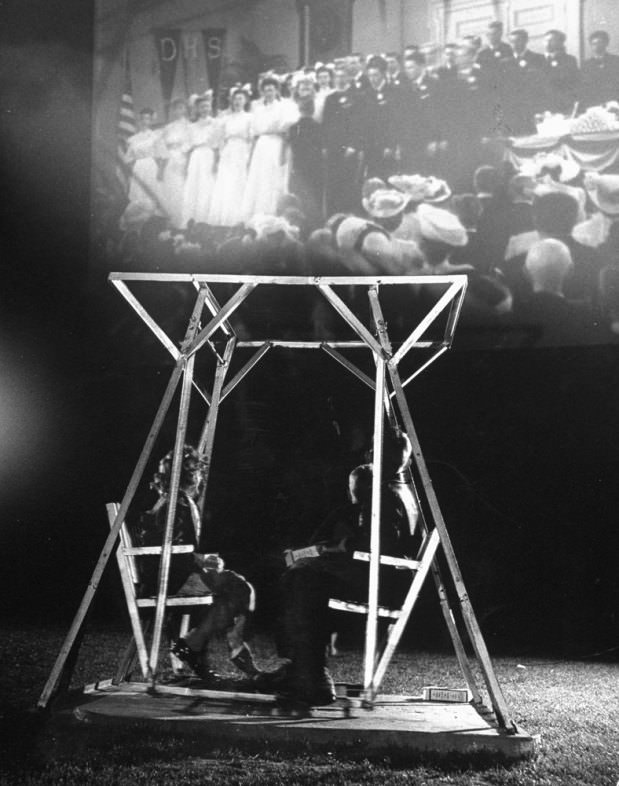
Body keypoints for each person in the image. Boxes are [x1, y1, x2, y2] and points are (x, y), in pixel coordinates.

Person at [259, 428, 419, 706]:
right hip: (388, 578)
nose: (367, 454)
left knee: (301, 578)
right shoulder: (400, 490)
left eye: (372, 450)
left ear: (378, 454)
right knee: (304, 570)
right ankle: (301, 668)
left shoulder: (384, 495)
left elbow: (369, 546)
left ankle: (312, 677)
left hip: (380, 583)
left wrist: (323, 551)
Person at [171, 553, 261, 684]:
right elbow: (196, 555)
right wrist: (213, 564)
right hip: (176, 574)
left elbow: (206, 557)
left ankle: (190, 645)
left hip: (191, 568)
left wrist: (214, 563)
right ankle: (234, 644)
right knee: (240, 587)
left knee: (238, 588)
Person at [242, 76, 299, 219]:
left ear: (276, 91)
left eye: (271, 90)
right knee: (260, 177)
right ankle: (258, 212)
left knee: (274, 175)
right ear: (262, 92)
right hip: (261, 145)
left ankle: (273, 211)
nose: (269, 93)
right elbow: (255, 133)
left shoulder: (284, 107)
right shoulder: (258, 109)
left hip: (276, 143)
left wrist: (283, 151)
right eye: (266, 90)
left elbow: (286, 132)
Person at [208, 88, 253, 227]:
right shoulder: (225, 119)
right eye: (235, 99)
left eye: (241, 98)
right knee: (227, 182)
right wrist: (219, 156)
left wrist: (249, 156)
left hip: (242, 150)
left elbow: (251, 139)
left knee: (240, 181)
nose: (237, 101)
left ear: (245, 101)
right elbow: (219, 139)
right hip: (228, 151)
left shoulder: (250, 117)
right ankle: (225, 218)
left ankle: (239, 218)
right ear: (231, 101)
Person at [321, 65, 362, 216]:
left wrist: (353, 145)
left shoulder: (356, 97)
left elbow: (358, 124)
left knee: (348, 183)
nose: (339, 79)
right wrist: (324, 146)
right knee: (332, 183)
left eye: (342, 76)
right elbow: (325, 124)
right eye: (337, 76)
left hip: (349, 149)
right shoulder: (330, 99)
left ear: (348, 78)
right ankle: (333, 216)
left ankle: (348, 216)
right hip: (332, 147)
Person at [356, 55, 400, 181]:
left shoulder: (394, 93)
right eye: (370, 76)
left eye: (376, 75)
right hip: (370, 148)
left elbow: (395, 122)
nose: (372, 79)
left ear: (384, 74)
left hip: (387, 148)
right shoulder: (365, 95)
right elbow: (362, 123)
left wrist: (390, 145)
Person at [181, 92, 221, 227]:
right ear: (197, 109)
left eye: (207, 106)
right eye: (202, 107)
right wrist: (186, 166)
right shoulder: (191, 127)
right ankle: (193, 221)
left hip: (209, 155)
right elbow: (187, 148)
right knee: (194, 186)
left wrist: (216, 162)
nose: (205, 109)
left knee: (208, 186)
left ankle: (207, 220)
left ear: (210, 108)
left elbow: (217, 146)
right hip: (196, 157)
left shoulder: (216, 124)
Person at [120, 107, 162, 226]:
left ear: (151, 121)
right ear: (139, 120)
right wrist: (133, 168)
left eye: (148, 119)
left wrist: (159, 171)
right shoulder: (134, 139)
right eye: (142, 119)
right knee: (138, 194)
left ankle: (149, 223)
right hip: (138, 166)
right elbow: (127, 158)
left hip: (151, 165)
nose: (145, 121)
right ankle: (135, 223)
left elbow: (161, 155)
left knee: (150, 193)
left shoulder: (155, 137)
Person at [288, 97, 325, 229]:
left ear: (299, 110)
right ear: (313, 110)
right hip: (315, 167)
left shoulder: (293, 128)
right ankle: (315, 225)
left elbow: (293, 149)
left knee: (300, 196)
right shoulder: (319, 127)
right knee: (315, 196)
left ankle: (300, 224)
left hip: (300, 166)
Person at [157, 98, 192, 229]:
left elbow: (190, 143)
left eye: (181, 108)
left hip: (182, 157)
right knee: (170, 187)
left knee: (181, 187)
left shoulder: (189, 126)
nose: (178, 111)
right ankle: (170, 221)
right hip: (170, 158)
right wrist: (162, 163)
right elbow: (162, 144)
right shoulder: (168, 127)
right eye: (176, 108)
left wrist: (183, 155)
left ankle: (182, 222)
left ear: (186, 110)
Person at [542, 29, 580, 114]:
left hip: (564, 104)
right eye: (546, 40)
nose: (547, 43)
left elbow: (573, 83)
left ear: (560, 43)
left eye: (552, 40)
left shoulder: (569, 60)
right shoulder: (538, 60)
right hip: (544, 105)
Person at [580, 30, 619, 110]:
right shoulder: (586, 64)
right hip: (593, 103)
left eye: (600, 42)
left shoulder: (615, 61)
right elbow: (585, 86)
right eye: (594, 43)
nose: (597, 46)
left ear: (606, 44)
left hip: (613, 101)